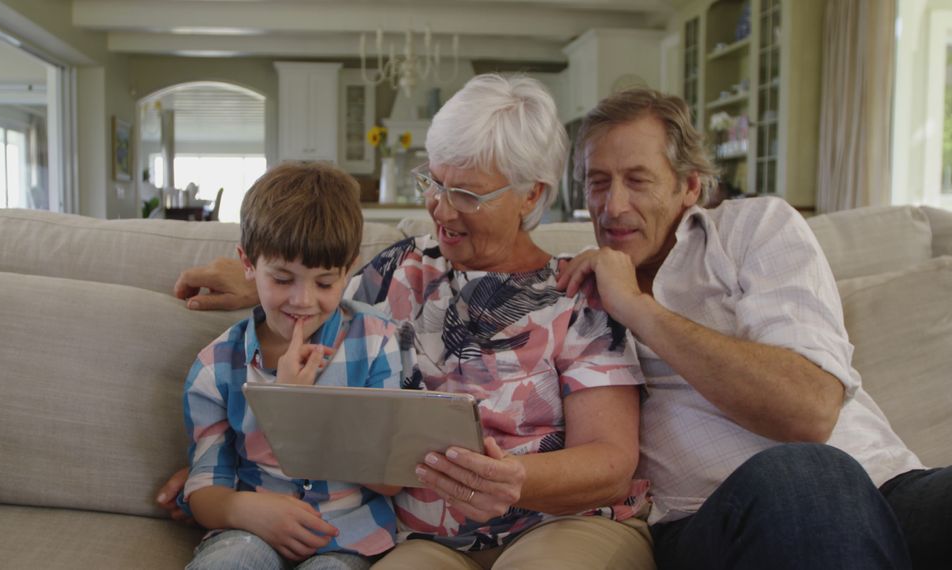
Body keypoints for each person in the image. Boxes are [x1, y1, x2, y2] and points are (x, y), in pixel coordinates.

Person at [167, 74, 656, 569]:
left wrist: (515, 478)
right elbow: (313, 296)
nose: (440, 208)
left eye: (466, 193)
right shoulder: (402, 268)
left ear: (531, 196)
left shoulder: (577, 295)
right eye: (435, 182)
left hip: (560, 523)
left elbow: (612, 461)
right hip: (423, 542)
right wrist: (224, 482)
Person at [555, 87, 952, 569]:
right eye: (598, 182)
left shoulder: (756, 229)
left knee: (819, 473)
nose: (613, 206)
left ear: (690, 186)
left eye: (638, 180)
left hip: (884, 486)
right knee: (803, 475)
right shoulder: (573, 293)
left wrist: (640, 309)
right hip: (716, 519)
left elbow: (808, 409)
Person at [178, 162, 409, 570]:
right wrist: (243, 511)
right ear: (248, 265)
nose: (303, 301)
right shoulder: (216, 366)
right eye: (283, 279)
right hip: (249, 530)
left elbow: (390, 478)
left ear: (348, 269)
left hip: (347, 538)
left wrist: (297, 408)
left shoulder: (375, 343)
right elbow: (203, 491)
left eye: (324, 283)